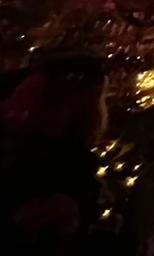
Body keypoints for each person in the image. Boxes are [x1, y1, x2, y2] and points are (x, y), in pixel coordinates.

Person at [0, 56, 107, 256]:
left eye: (26, 102)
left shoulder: (61, 181)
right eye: (16, 96)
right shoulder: (14, 151)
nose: (10, 110)